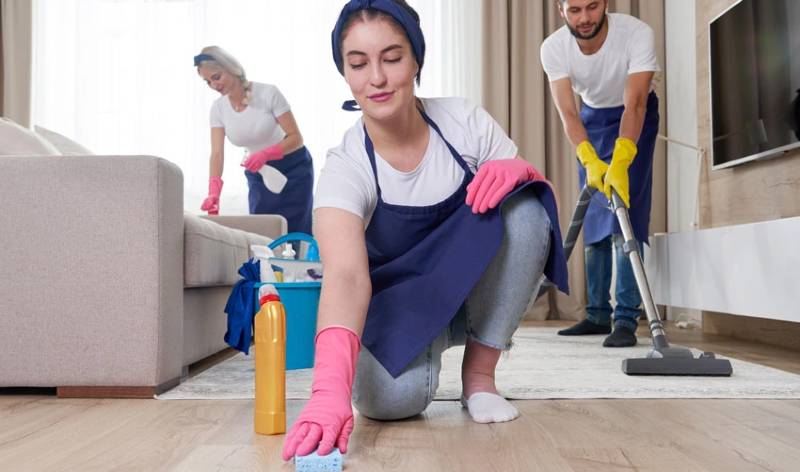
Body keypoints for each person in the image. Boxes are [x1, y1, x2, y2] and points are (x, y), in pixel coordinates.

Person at [281, 0, 568, 461]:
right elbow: (347, 276)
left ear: (416, 59)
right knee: (390, 402)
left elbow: (536, 222)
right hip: (399, 302)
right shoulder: (347, 166)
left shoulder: (463, 122)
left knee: (526, 208)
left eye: (392, 58)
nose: (376, 78)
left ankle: (479, 376)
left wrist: (525, 170)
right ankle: (424, 355)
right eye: (358, 63)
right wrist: (328, 390)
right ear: (345, 73)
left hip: (472, 284)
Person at [540, 0, 660, 347]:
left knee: (627, 213)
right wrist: (587, 156)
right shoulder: (554, 47)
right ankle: (596, 314)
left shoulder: (636, 34)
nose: (585, 18)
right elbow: (568, 112)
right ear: (561, 10)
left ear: (604, 3)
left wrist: (623, 157)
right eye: (574, 10)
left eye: (592, 7)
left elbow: (635, 103)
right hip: (590, 120)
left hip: (635, 118)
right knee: (594, 215)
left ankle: (625, 318)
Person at [194, 46, 313, 234]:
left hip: (294, 168)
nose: (214, 85)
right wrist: (214, 192)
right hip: (259, 173)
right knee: (263, 232)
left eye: (216, 77)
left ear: (231, 68)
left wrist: (267, 153)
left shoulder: (268, 93)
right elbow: (216, 154)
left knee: (296, 231)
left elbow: (296, 138)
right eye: (207, 82)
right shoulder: (218, 109)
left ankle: (303, 264)